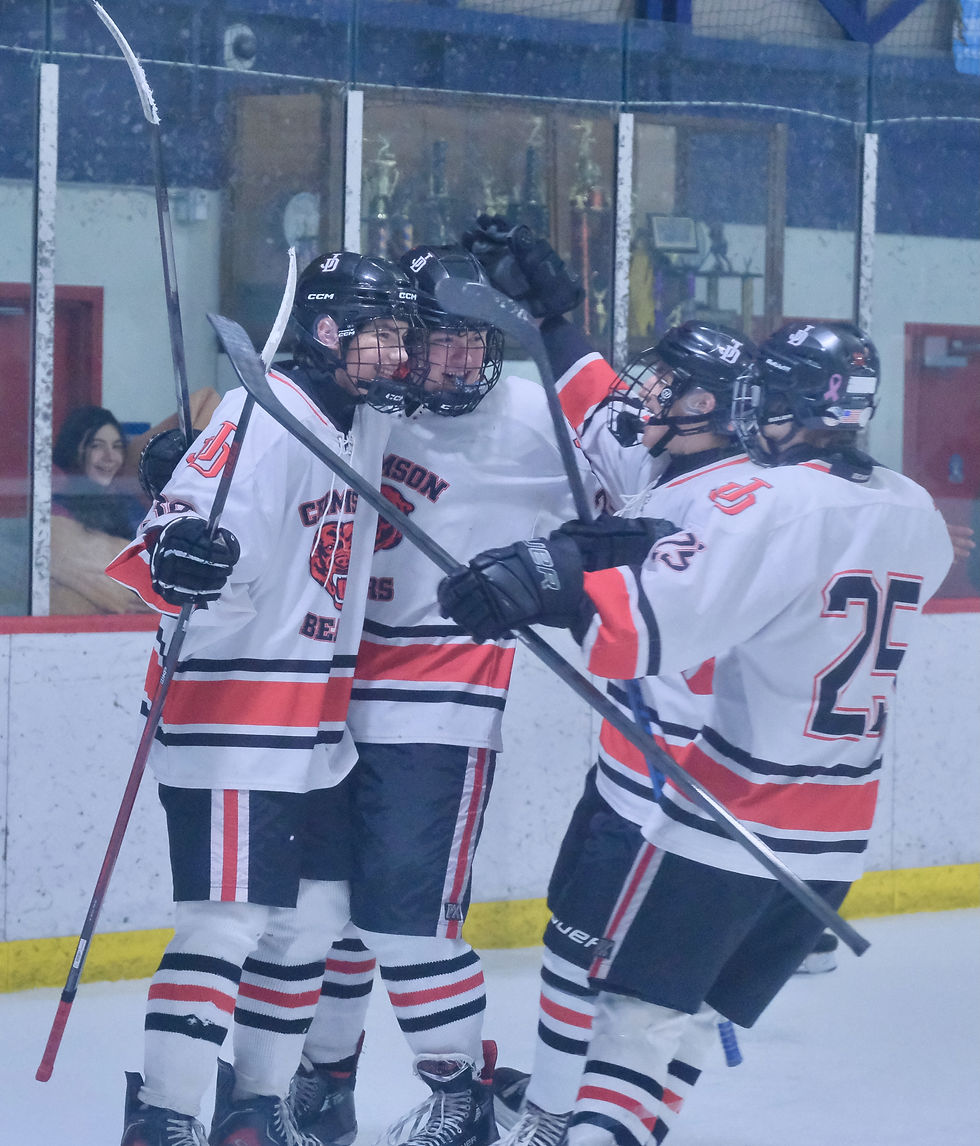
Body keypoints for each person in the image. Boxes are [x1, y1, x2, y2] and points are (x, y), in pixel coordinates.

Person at [437, 319, 954, 1146]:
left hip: (728, 822)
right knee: (679, 1034)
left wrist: (554, 579)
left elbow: (637, 632)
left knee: (629, 1033)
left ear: (778, 402)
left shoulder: (772, 503)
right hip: (836, 841)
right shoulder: (911, 508)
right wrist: (662, 542)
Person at [281, 242, 606, 1146]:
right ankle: (325, 1082)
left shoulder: (532, 417)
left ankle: (459, 1097)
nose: (461, 361)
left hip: (439, 705)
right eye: (438, 341)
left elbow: (642, 493)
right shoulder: (353, 405)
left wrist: (555, 570)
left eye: (477, 342)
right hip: (327, 697)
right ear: (392, 338)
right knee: (326, 914)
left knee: (406, 918)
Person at [105, 251, 427, 1146]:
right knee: (228, 921)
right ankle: (164, 1118)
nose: (399, 351)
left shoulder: (357, 421)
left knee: (314, 919)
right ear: (327, 332)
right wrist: (182, 557)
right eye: (385, 333)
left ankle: (253, 1110)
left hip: (313, 725)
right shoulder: (260, 416)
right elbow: (172, 544)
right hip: (233, 711)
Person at [50, 405, 151, 614]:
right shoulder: (53, 506)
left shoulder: (130, 504)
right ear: (73, 449)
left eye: (117, 447)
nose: (109, 456)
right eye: (97, 446)